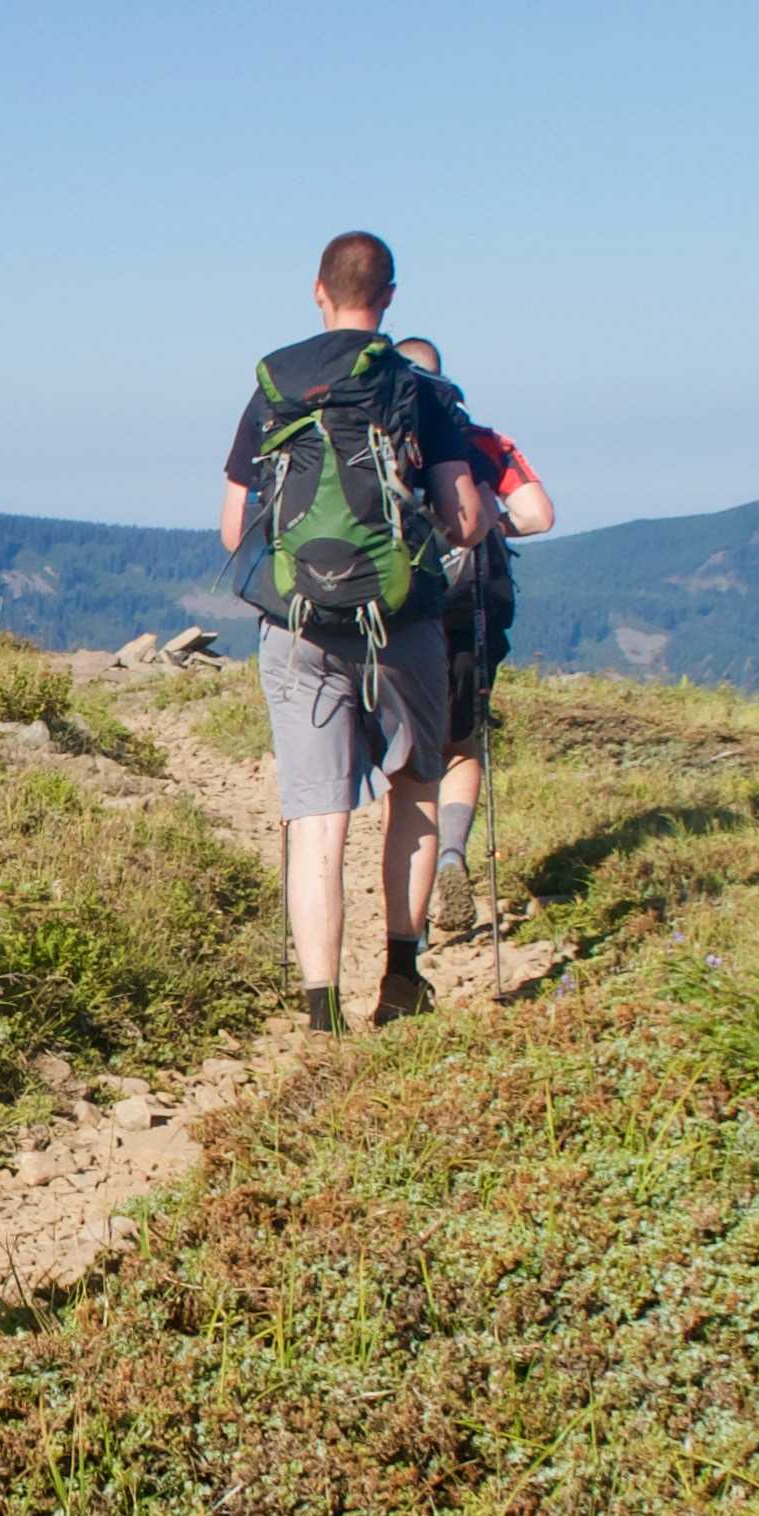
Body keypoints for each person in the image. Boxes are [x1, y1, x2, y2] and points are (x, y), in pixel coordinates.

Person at [216, 232, 486, 1031]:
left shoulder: (273, 389)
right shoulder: (421, 393)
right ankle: (401, 981)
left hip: (298, 627)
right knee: (415, 791)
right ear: (390, 297)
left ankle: (321, 1013)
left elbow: (236, 531)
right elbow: (465, 522)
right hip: (401, 626)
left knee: (315, 818)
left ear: (317, 290)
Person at [392, 337, 555, 939]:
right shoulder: (481, 441)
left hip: (404, 605)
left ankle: (407, 908)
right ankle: (454, 856)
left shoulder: (382, 441)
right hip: (475, 605)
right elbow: (540, 515)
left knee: (412, 759)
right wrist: (486, 522)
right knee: (463, 743)